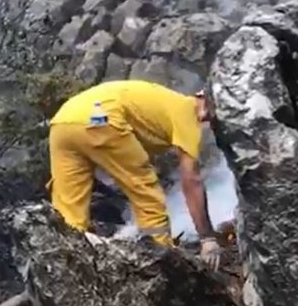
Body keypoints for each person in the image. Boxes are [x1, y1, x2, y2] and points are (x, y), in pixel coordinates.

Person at [48, 79, 220, 268]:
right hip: (102, 119)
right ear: (203, 99)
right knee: (146, 193)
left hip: (62, 122)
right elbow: (191, 181)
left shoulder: (166, 100)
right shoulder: (188, 112)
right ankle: (161, 259)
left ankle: (65, 265)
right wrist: (207, 238)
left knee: (69, 214)